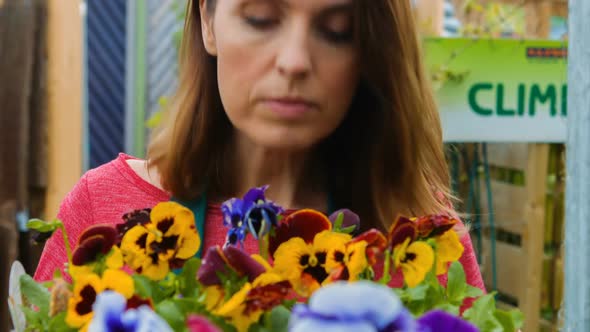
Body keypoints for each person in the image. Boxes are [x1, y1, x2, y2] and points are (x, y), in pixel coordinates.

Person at [34, 0, 485, 303]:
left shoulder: (420, 234)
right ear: (209, 22)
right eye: (261, 19)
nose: (294, 60)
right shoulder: (101, 208)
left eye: (336, 30)